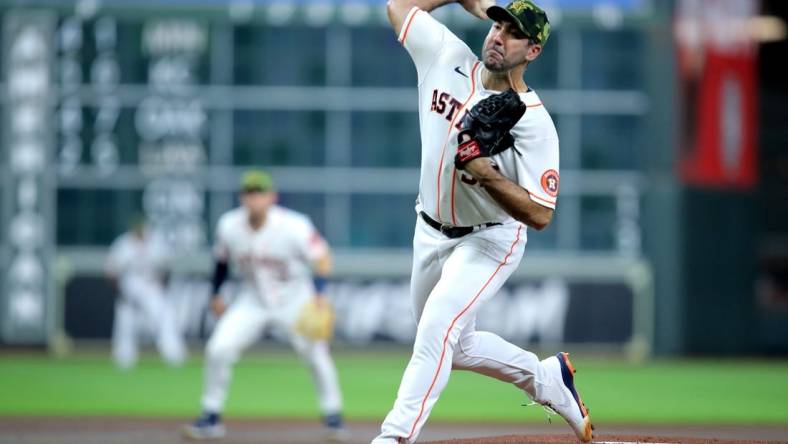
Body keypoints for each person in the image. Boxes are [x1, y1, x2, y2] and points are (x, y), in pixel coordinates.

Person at [373, 0, 593, 442]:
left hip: (489, 239)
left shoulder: (534, 123)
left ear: (532, 51)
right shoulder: (445, 55)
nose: (498, 36)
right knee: (455, 344)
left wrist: (486, 173)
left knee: (438, 325)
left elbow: (541, 215)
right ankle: (548, 378)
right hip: (428, 228)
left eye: (513, 32)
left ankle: (394, 436)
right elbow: (398, 6)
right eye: (498, 24)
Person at [182, 170, 346, 441]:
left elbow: (322, 258)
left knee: (316, 354)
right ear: (242, 197)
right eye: (249, 193)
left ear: (272, 197)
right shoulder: (229, 225)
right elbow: (221, 262)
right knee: (218, 348)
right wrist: (215, 293)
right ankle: (210, 417)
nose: (254, 198)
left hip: (295, 299)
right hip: (253, 300)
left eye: (259, 193)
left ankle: (334, 417)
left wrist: (319, 295)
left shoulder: (295, 225)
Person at [106, 217, 187, 369]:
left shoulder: (156, 242)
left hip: (151, 286)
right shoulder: (123, 244)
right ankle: (123, 359)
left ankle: (174, 355)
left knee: (164, 318)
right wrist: (119, 293)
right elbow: (111, 272)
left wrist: (163, 287)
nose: (140, 229)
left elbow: (165, 268)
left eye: (142, 226)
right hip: (130, 286)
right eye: (137, 227)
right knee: (125, 325)